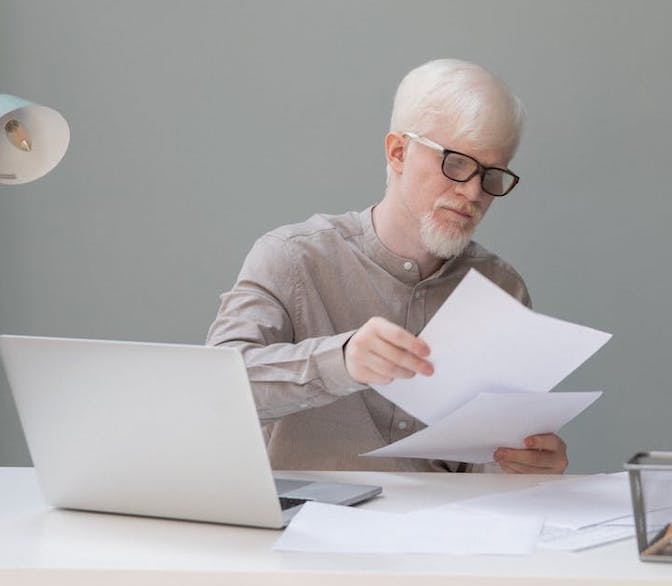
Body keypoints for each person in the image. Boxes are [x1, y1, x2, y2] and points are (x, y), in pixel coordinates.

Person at [206, 58, 567, 474]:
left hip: (446, 532)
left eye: (491, 174)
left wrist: (523, 465)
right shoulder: (292, 258)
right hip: (308, 528)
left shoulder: (501, 288)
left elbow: (486, 459)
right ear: (398, 152)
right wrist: (339, 361)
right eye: (456, 164)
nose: (473, 193)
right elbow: (216, 390)